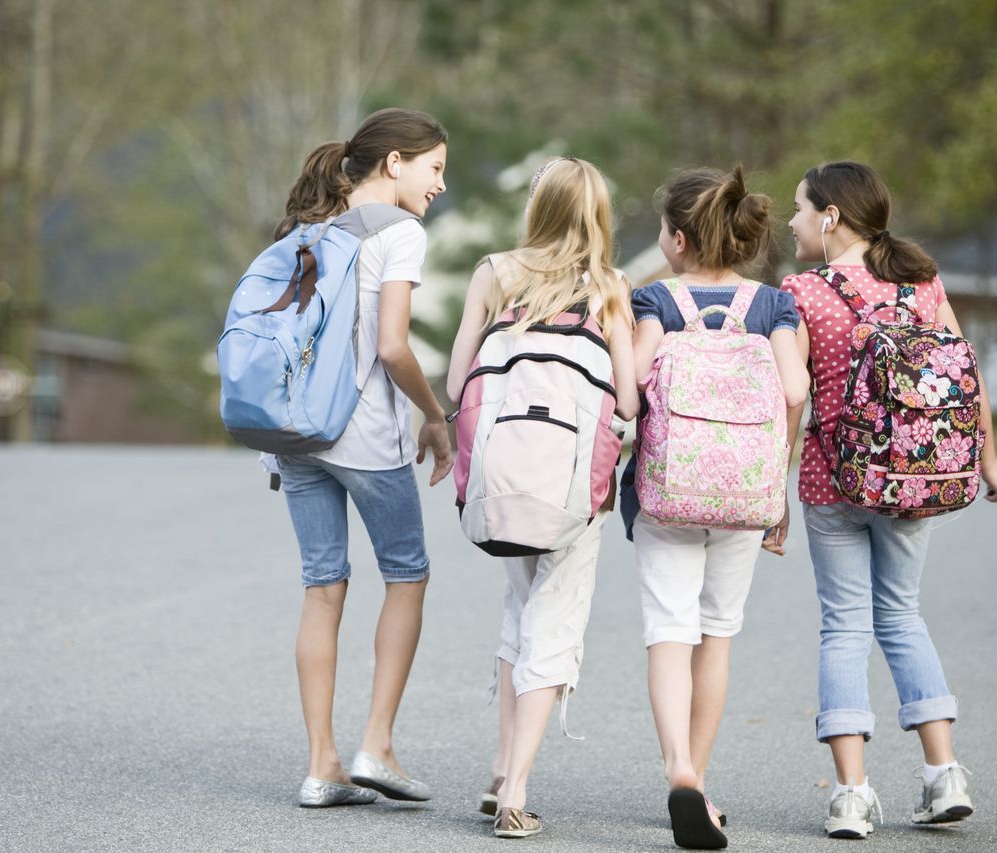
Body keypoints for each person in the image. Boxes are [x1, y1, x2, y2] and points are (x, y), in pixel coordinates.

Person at [774, 160, 997, 838]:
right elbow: (964, 378)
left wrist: (774, 495)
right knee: (902, 616)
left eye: (800, 209)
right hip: (917, 481)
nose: (792, 222)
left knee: (845, 627)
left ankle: (851, 795)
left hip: (835, 480)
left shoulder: (802, 291)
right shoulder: (922, 282)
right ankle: (945, 776)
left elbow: (792, 402)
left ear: (831, 216)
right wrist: (990, 463)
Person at [445, 157, 640, 839]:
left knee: (518, 612)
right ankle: (516, 790)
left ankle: (501, 766)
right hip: (571, 491)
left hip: (504, 480)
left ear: (538, 207)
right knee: (551, 628)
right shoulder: (613, 289)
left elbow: (456, 381)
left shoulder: (496, 272)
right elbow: (630, 397)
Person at [619, 166, 808, 849]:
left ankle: (677, 771)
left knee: (668, 629)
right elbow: (792, 386)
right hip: (744, 492)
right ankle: (699, 776)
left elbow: (635, 386)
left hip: (666, 487)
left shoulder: (655, 299)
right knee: (716, 631)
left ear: (675, 239)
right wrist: (775, 485)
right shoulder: (772, 305)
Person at [271, 108, 454, 808]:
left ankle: (322, 764)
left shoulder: (304, 227)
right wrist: (434, 416)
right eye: (434, 167)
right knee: (407, 573)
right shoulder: (399, 231)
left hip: (296, 435)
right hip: (365, 433)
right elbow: (392, 346)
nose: (439, 184)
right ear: (396, 163)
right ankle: (376, 743)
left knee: (323, 586)